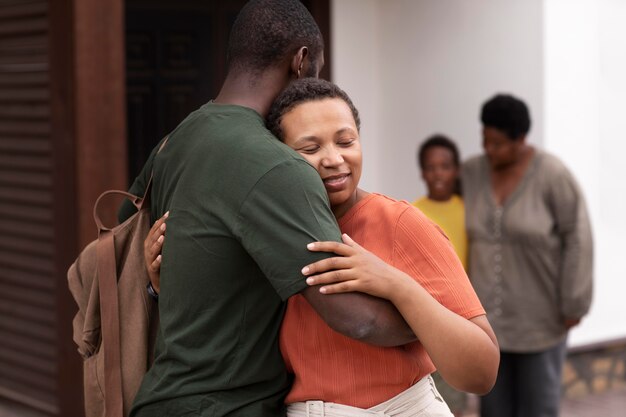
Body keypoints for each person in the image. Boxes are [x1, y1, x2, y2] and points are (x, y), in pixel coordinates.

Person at [120, 2, 416, 416]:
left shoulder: (176, 141)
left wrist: (157, 284)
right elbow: (356, 317)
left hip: (161, 396)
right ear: (301, 60)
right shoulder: (278, 167)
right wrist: (432, 320)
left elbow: (127, 235)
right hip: (228, 406)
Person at [146, 79, 500, 416]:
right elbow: (227, 330)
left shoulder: (401, 223)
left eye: (346, 142)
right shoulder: (262, 234)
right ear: (278, 157)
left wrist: (395, 283)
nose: (333, 159)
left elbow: (481, 372)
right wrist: (164, 283)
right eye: (310, 148)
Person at [462, 93, 593, 417]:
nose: (489, 150)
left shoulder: (552, 175)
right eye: (485, 141)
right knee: (493, 409)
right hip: (487, 324)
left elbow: (578, 237)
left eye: (498, 143)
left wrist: (574, 301)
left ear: (521, 139)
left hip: (540, 320)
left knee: (539, 409)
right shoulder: (471, 172)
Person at [412, 135, 468, 416]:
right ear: (422, 172)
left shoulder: (468, 211)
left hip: (460, 319)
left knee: (455, 399)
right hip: (426, 321)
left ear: (456, 170)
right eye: (431, 167)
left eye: (444, 166)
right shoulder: (413, 212)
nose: (438, 173)